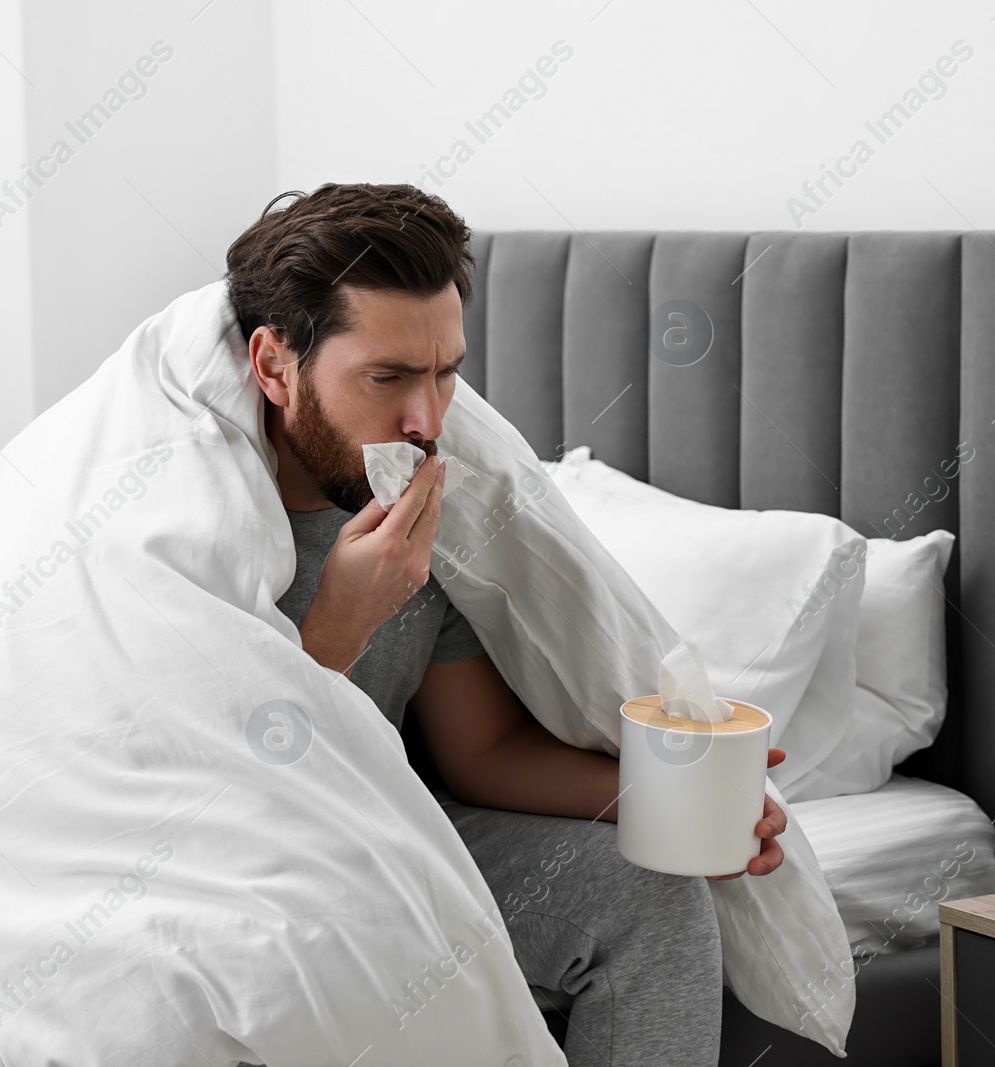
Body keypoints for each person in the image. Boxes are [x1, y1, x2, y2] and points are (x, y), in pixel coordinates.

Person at [228, 182, 788, 1067]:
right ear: (273, 365)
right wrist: (337, 624)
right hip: (245, 851)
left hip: (403, 830)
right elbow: (202, 787)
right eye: (388, 377)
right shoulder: (190, 524)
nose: (426, 420)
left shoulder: (429, 500)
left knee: (652, 898)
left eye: (446, 372)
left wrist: (671, 798)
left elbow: (477, 749)